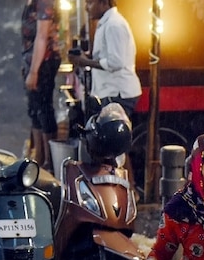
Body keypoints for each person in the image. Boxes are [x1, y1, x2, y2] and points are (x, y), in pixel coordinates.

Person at [67, 0, 141, 119]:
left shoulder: (114, 25)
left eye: (90, 3)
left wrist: (85, 62)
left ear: (104, 3)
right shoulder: (107, 24)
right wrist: (85, 57)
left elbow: (116, 62)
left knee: (112, 136)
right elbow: (107, 56)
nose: (86, 8)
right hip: (111, 92)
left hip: (117, 93)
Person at [21, 0, 61, 172]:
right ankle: (39, 156)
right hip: (32, 62)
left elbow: (42, 36)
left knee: (44, 109)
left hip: (44, 62)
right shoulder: (32, 3)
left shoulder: (45, 2)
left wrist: (34, 71)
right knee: (34, 109)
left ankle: (49, 162)